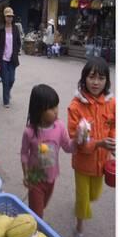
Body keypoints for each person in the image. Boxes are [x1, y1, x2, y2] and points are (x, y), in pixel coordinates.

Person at [68, 57, 116, 237]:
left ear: (107, 81)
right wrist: (98, 143)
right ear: (84, 78)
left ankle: (82, 205)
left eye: (101, 78)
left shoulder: (111, 103)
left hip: (102, 162)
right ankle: (79, 229)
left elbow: (114, 125)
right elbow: (75, 138)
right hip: (82, 163)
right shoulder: (75, 106)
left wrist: (113, 141)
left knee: (94, 195)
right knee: (82, 199)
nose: (96, 82)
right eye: (92, 77)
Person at [21, 84, 76, 218]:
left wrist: (78, 140)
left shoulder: (60, 127)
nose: (56, 111)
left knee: (42, 206)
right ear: (39, 110)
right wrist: (26, 174)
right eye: (51, 108)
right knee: (37, 214)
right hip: (35, 179)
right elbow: (24, 154)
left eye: (56, 106)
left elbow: (68, 147)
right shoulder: (30, 132)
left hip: (51, 178)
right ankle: (33, 229)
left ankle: (32, 217)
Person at [0, 7, 22, 108]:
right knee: (5, 80)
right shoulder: (1, 29)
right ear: (4, 17)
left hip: (12, 59)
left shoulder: (15, 28)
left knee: (12, 79)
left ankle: (7, 91)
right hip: (3, 59)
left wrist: (16, 51)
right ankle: (6, 101)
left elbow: (19, 42)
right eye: (8, 16)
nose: (10, 18)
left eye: (11, 16)